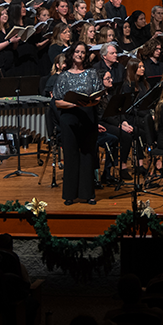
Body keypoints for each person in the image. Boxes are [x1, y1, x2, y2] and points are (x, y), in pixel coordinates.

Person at [52, 42, 103, 205]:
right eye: (77, 52)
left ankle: (88, 194)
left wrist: (87, 103)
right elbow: (58, 102)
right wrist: (74, 104)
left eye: (83, 52)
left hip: (88, 115)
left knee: (88, 154)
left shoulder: (92, 73)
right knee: (71, 154)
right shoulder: (63, 76)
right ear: (72, 54)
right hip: (69, 117)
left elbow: (98, 96)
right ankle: (69, 195)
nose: (80, 54)